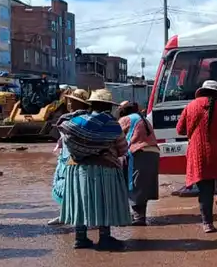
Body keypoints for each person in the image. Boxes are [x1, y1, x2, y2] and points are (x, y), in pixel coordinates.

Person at [58, 89, 131, 250]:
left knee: (80, 201)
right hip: (104, 169)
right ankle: (104, 238)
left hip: (76, 169)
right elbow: (122, 148)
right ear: (108, 107)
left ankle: (80, 238)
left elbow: (65, 143)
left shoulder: (74, 121)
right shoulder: (111, 124)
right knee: (104, 201)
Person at [176, 80, 217, 233]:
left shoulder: (190, 107)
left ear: (202, 91)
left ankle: (208, 224)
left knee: (205, 191)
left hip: (198, 154)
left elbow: (179, 129)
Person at [48, 88, 90, 226]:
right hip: (66, 157)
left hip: (75, 158)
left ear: (82, 104)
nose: (70, 104)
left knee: (75, 187)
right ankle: (66, 214)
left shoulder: (82, 120)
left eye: (73, 101)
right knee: (65, 184)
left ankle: (79, 220)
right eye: (69, 101)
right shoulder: (67, 118)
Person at [118, 101, 161, 226]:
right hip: (153, 153)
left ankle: (138, 218)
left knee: (134, 184)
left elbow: (115, 135)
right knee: (143, 186)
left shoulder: (126, 119)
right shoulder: (144, 119)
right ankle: (140, 215)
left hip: (138, 153)